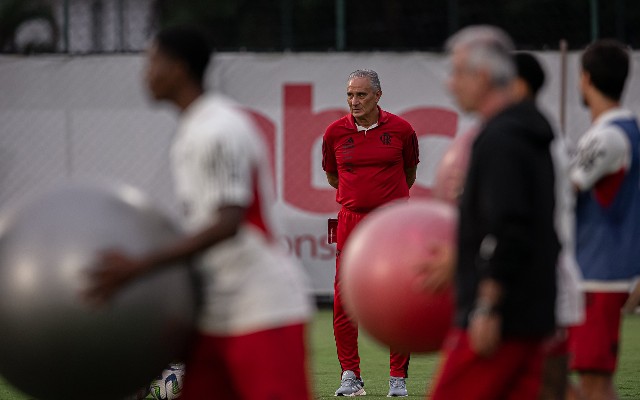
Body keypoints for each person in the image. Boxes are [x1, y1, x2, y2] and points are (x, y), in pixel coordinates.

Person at [85, 26, 314, 399]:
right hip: (217, 312)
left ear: (178, 68)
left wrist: (141, 267)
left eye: (152, 62)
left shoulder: (218, 127)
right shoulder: (192, 129)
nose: (145, 73)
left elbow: (228, 223)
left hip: (262, 308)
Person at [424, 25, 560, 400]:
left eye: (456, 72)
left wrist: (486, 305)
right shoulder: (527, 129)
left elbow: (508, 227)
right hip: (531, 312)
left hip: (502, 318)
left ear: (481, 75)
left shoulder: (501, 138)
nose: (450, 84)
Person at [322, 69, 420, 397]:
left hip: (392, 223)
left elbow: (409, 172)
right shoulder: (334, 133)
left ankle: (397, 379)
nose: (354, 101)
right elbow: (334, 177)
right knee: (344, 299)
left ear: (378, 96)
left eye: (361, 95)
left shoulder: (403, 130)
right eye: (350, 95)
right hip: (350, 221)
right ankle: (351, 376)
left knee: (399, 298)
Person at [568, 39, 640, 400]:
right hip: (597, 271)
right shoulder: (625, 132)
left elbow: (566, 192)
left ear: (586, 79)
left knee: (594, 381)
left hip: (599, 273)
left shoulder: (608, 136)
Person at [512, 52, 585, 400]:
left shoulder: (533, 137)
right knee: (547, 385)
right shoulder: (543, 133)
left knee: (547, 384)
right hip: (544, 280)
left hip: (541, 282)